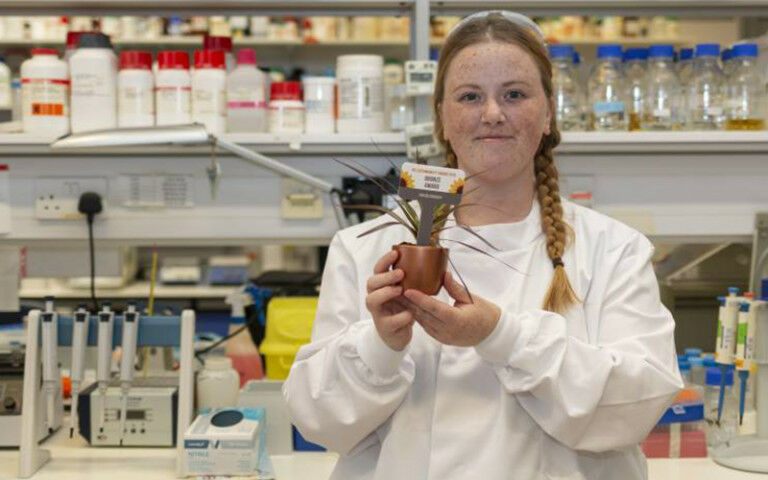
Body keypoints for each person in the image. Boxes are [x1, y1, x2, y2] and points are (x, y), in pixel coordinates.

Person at [283, 11, 683, 480]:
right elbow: (317, 421)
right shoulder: (364, 249)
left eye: (514, 94)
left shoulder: (613, 250)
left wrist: (500, 335)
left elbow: (635, 407)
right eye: (470, 96)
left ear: (548, 113)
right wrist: (380, 345)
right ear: (442, 117)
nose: (492, 113)